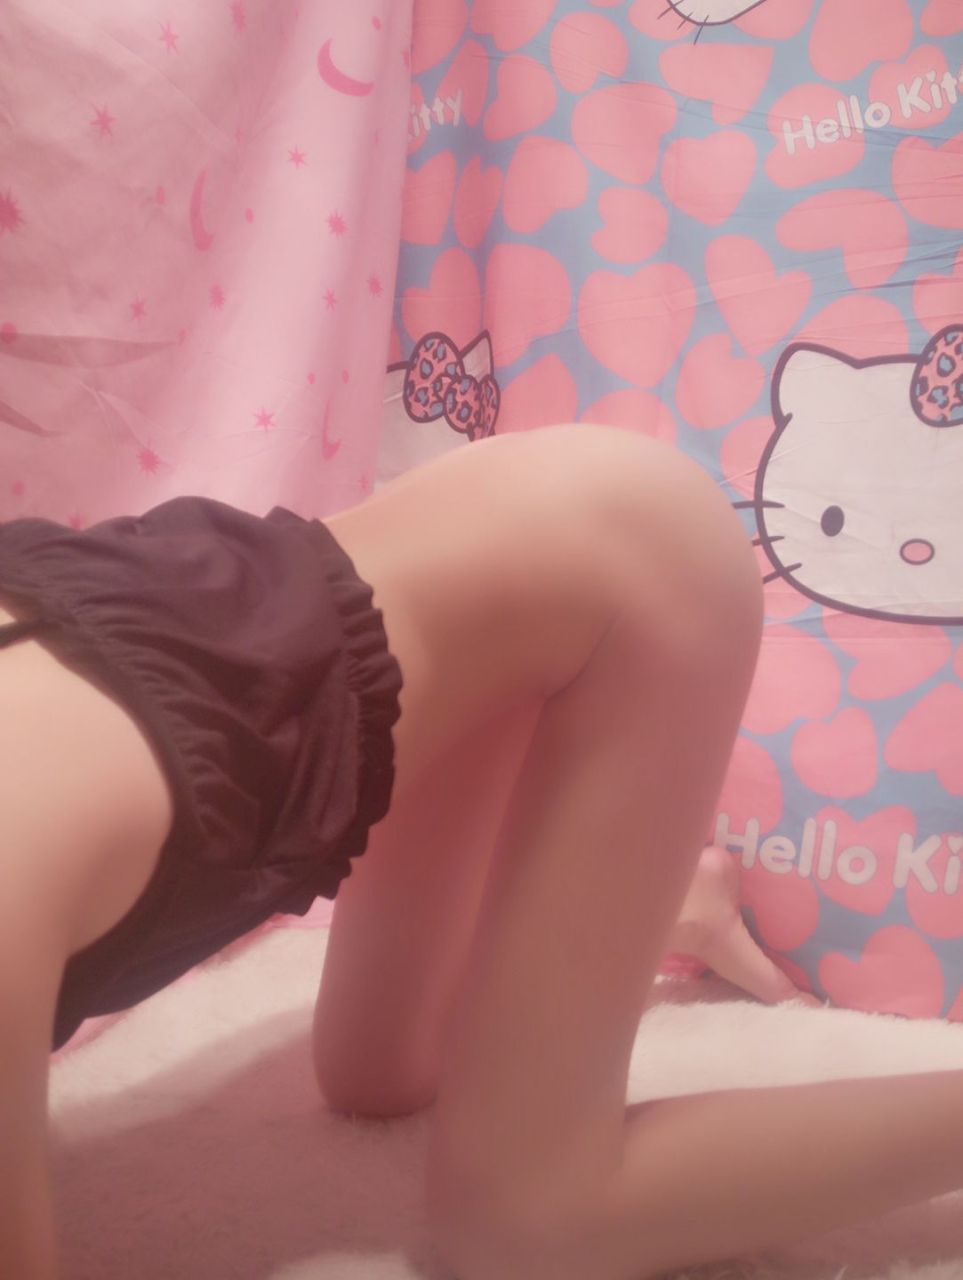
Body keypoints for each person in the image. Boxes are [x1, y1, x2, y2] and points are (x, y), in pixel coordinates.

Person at [2, 423, 961, 1280]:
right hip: (451, 583)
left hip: (634, 569)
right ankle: (670, 904)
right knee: (376, 1083)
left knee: (527, 1226)